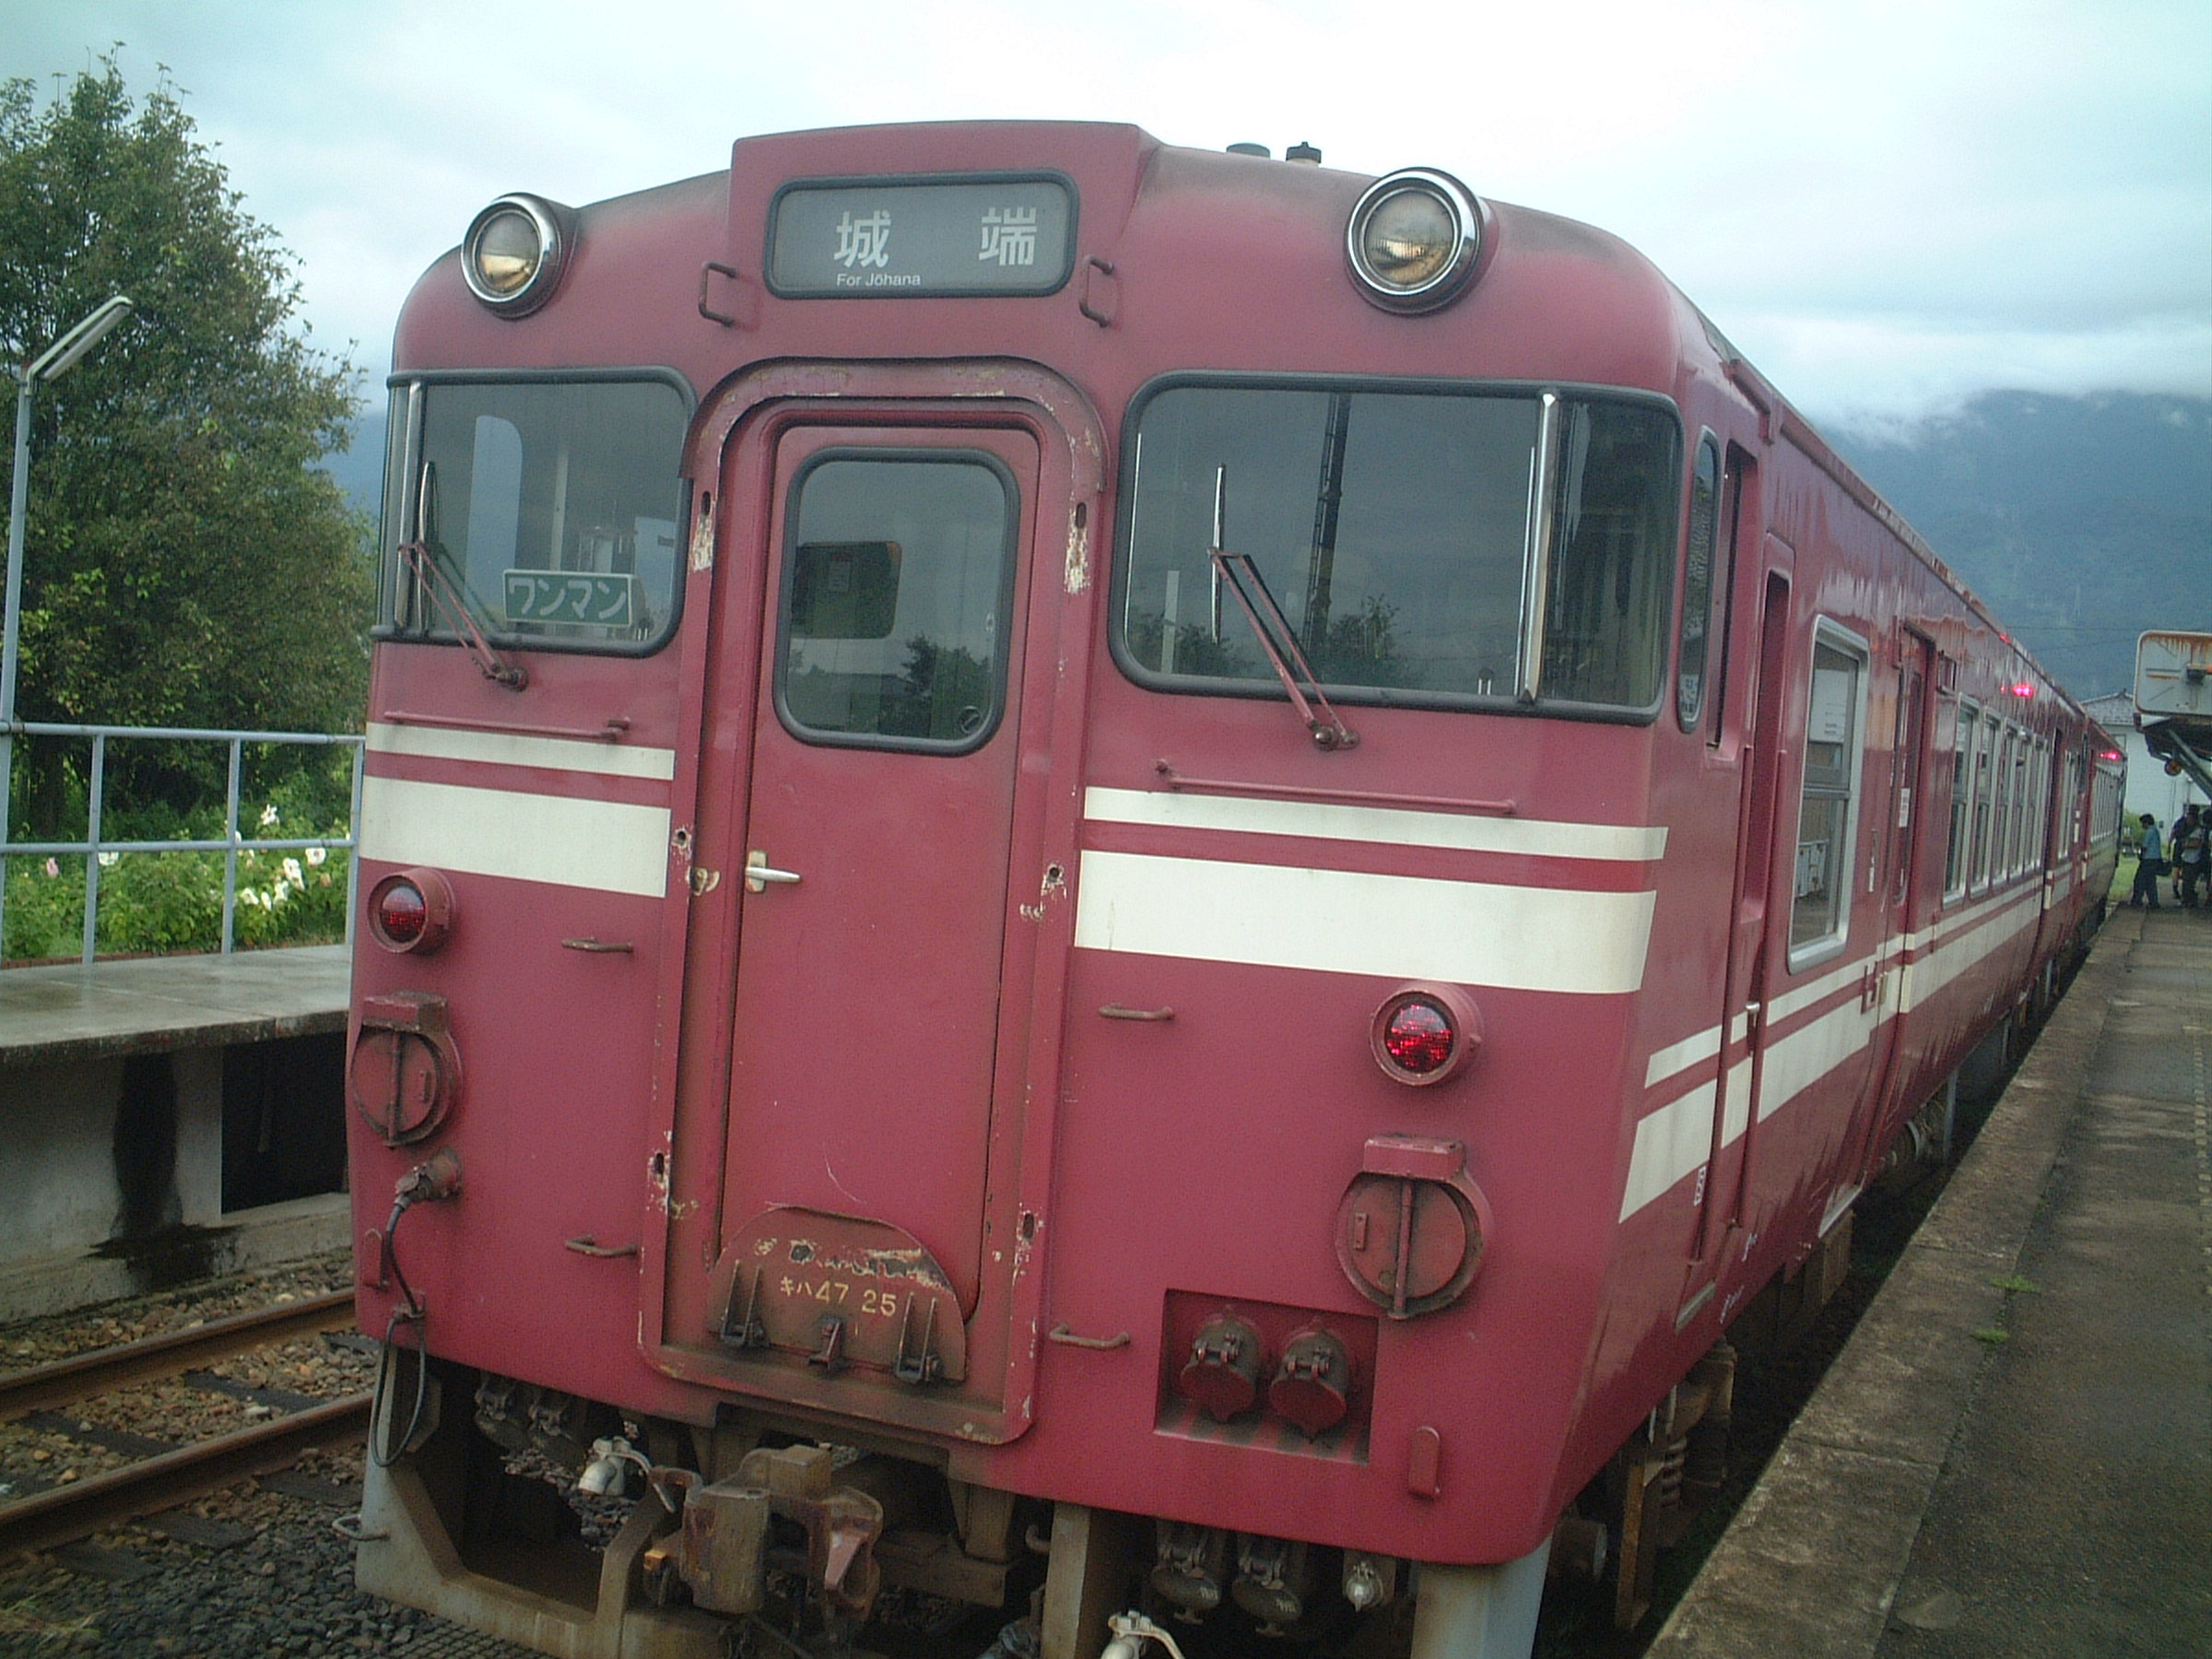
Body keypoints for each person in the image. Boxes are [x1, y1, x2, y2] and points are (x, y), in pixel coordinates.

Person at [2173, 806, 2206, 910]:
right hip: (2186, 858)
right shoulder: (2187, 830)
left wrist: (2186, 844)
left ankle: (2190, 900)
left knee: (2189, 882)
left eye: (2190, 819)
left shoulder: (2198, 831)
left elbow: (2196, 844)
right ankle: (2186, 900)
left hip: (2193, 860)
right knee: (2186, 881)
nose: (2188, 821)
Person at [2129, 812, 2164, 909]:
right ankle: (2153, 902)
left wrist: (2141, 855)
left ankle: (2137, 900)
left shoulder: (2150, 832)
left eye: (2143, 823)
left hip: (2148, 860)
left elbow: (2145, 846)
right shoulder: (2156, 831)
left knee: (2139, 880)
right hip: (2155, 859)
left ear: (2146, 823)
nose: (2142, 826)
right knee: (2150, 881)